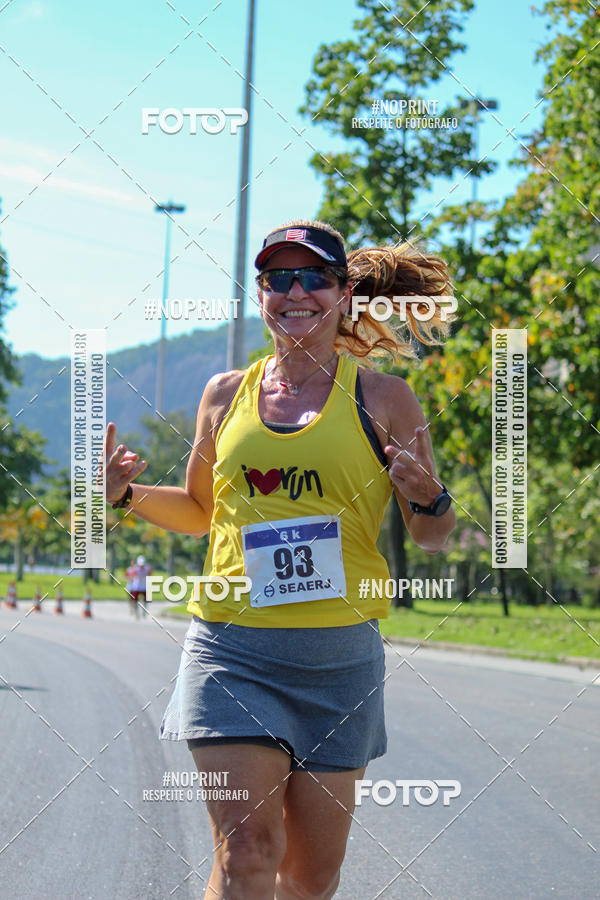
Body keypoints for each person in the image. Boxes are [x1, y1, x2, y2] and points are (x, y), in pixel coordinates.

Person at [104, 219, 456, 899]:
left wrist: (431, 498)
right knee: (247, 852)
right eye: (277, 278)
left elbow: (432, 537)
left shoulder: (384, 399)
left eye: (314, 277)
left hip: (338, 664)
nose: (295, 291)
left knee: (309, 879)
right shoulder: (222, 393)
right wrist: (126, 496)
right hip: (231, 653)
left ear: (345, 292)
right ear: (259, 293)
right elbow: (201, 511)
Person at [130, 554, 152, 618]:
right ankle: (136, 613)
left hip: (144, 586)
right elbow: (132, 576)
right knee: (135, 600)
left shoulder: (147, 568)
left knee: (146, 600)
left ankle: (144, 612)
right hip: (136, 586)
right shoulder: (135, 569)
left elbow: (150, 574)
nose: (141, 566)